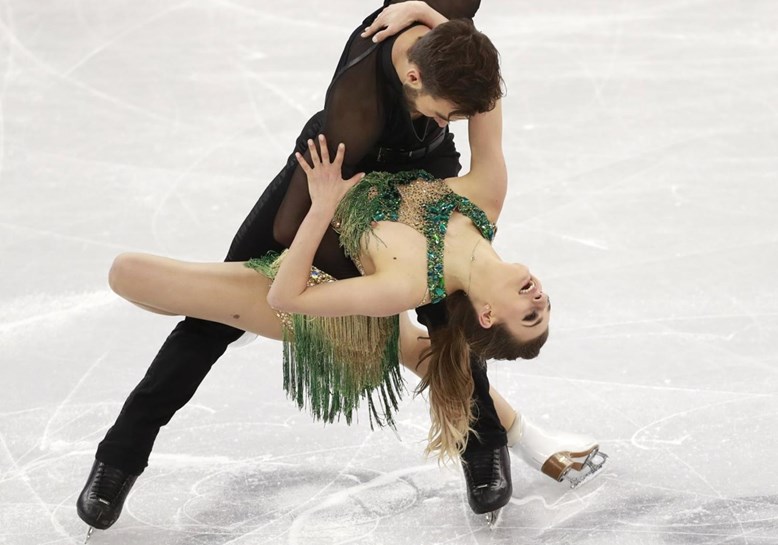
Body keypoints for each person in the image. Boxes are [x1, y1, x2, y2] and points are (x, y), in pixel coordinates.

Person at [76, 0, 605, 534]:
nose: (541, 297)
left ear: (490, 312)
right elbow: (297, 224)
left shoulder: (417, 275)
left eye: (531, 314)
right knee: (207, 329)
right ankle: (121, 455)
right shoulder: (434, 164)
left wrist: (433, 24)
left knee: (446, 329)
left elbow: (479, 88)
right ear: (417, 76)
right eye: (447, 113)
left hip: (357, 207)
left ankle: (484, 442)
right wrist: (431, 17)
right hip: (330, 171)